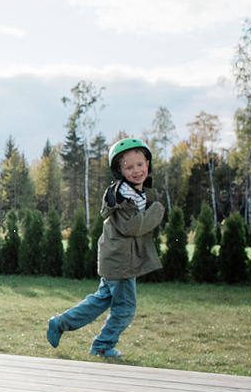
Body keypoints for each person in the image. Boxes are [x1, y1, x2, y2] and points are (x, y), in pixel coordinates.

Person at [46, 138, 164, 358]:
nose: (136, 170)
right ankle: (102, 345)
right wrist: (156, 211)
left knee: (100, 300)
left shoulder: (135, 192)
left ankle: (60, 323)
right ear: (119, 171)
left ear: (148, 163)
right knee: (126, 308)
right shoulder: (123, 195)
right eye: (129, 167)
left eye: (140, 164)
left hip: (115, 257)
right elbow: (133, 226)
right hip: (120, 261)